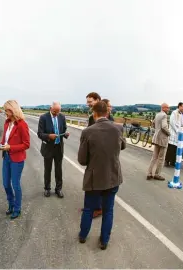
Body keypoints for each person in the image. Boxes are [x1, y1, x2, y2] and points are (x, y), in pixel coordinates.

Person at [77, 101, 126, 250]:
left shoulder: (88, 131)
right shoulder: (118, 128)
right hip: (113, 176)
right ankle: (104, 241)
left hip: (94, 178)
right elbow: (123, 146)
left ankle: (83, 235)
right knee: (108, 210)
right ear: (108, 113)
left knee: (88, 208)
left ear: (94, 113)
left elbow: (82, 160)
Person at [0, 100, 30, 219]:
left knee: (15, 184)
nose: (5, 112)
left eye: (6, 110)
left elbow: (26, 144)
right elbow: (5, 139)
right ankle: (11, 205)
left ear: (13, 109)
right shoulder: (7, 123)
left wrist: (10, 147)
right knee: (6, 184)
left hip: (17, 159)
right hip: (6, 157)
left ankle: (17, 208)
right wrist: (1, 145)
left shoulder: (22, 124)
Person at [37, 101, 69, 198]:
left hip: (59, 148)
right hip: (48, 148)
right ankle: (47, 188)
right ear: (50, 109)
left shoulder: (62, 117)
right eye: (55, 111)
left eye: (58, 111)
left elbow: (64, 129)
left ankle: (58, 189)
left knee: (58, 170)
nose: (57, 114)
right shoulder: (43, 118)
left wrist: (65, 134)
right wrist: (48, 136)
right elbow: (40, 133)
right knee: (48, 170)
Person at [85, 92, 103, 218]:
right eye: (87, 102)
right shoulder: (92, 116)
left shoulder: (104, 115)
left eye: (90, 101)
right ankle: (92, 206)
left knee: (99, 184)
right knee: (92, 183)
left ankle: (98, 208)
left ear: (97, 100)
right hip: (93, 155)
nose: (88, 104)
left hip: (100, 156)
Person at [146, 103, 170, 180]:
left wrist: (157, 130)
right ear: (164, 108)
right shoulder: (164, 115)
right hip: (163, 139)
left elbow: (153, 123)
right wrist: (169, 133)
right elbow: (164, 127)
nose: (168, 109)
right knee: (161, 158)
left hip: (156, 138)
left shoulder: (157, 114)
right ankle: (157, 174)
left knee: (154, 157)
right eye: (167, 108)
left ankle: (149, 173)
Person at [165, 102, 183, 167]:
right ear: (179, 106)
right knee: (170, 148)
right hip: (173, 133)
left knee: (175, 148)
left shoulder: (181, 114)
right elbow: (172, 122)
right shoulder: (174, 112)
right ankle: (167, 161)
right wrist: (177, 130)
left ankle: (173, 162)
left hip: (177, 134)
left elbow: (182, 123)